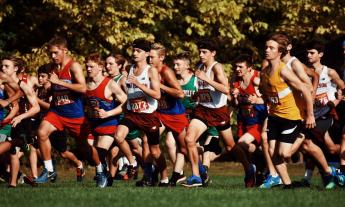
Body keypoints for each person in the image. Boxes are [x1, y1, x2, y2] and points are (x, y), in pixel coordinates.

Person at [35, 36, 103, 187]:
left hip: (75, 115)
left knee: (84, 147)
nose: (53, 56)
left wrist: (58, 82)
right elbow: (52, 86)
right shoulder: (51, 67)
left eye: (55, 53)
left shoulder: (74, 66)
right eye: (50, 53)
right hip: (57, 112)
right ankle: (49, 170)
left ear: (64, 51)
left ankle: (100, 170)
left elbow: (83, 88)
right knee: (41, 132)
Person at [259, 34, 316, 189]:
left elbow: (305, 88)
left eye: (271, 48)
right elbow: (266, 93)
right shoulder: (264, 72)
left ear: (279, 52)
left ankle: (302, 134)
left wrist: (310, 115)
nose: (267, 50)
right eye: (266, 47)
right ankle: (288, 185)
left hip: (290, 117)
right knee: (273, 152)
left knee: (285, 154)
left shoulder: (283, 70)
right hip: (274, 117)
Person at [182, 39, 235, 187]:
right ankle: (196, 177)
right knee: (189, 139)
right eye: (199, 52)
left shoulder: (216, 67)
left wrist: (207, 79)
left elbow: (225, 89)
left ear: (213, 53)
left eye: (204, 52)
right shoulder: (199, 67)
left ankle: (250, 168)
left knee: (231, 147)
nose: (201, 54)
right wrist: (196, 95)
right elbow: (203, 88)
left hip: (218, 111)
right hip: (202, 110)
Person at [114, 38, 164, 187]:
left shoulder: (151, 70)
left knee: (154, 151)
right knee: (118, 136)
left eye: (138, 51)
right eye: (133, 50)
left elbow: (157, 95)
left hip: (148, 115)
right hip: (132, 114)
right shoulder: (129, 69)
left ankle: (163, 176)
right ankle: (133, 163)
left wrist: (139, 84)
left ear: (147, 53)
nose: (134, 53)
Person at [146, 43, 188, 186]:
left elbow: (180, 93)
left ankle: (199, 172)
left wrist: (160, 85)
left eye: (152, 57)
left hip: (175, 114)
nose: (149, 60)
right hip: (159, 113)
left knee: (184, 148)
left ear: (161, 57)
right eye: (148, 57)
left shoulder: (166, 71)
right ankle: (154, 176)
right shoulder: (149, 71)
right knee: (149, 141)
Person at [84, 53, 129, 187]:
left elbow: (126, 103)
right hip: (93, 125)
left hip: (109, 125)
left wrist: (109, 113)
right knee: (91, 157)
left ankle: (103, 176)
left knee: (99, 153)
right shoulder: (85, 84)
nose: (88, 69)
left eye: (91, 67)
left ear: (100, 67)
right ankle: (106, 175)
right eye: (86, 67)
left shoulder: (110, 84)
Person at [1, 56, 40, 187]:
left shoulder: (24, 85)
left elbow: (36, 108)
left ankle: (28, 144)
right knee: (10, 154)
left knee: (12, 147)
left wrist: (20, 117)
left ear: (16, 69)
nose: (3, 68)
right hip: (9, 121)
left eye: (7, 66)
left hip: (22, 123)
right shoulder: (3, 83)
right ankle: (15, 181)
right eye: (2, 66)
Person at [231, 54, 267, 187]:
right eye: (236, 66)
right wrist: (235, 97)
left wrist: (257, 100)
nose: (237, 69)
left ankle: (259, 165)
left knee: (240, 144)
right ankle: (259, 171)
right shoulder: (235, 81)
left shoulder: (257, 79)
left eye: (241, 66)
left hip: (258, 121)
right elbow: (235, 105)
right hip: (243, 121)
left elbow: (272, 99)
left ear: (249, 68)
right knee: (246, 151)